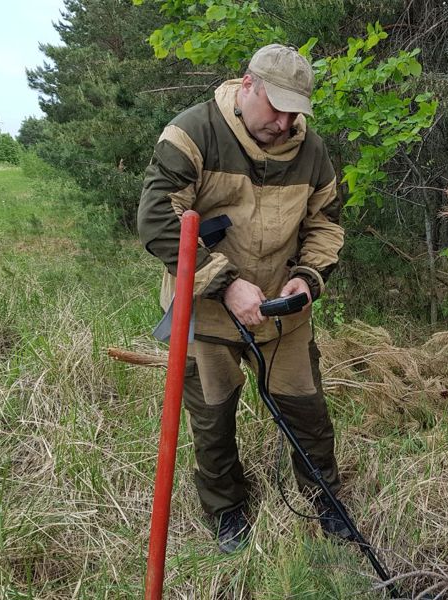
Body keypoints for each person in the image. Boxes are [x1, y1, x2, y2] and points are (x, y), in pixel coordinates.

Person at [137, 44, 351, 553]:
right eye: (275, 106)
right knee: (212, 417)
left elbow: (325, 224)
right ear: (247, 84)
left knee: (306, 410)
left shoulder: (312, 150)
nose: (283, 122)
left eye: (295, 111)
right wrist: (226, 284)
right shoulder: (194, 132)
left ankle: (324, 498)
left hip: (283, 315)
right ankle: (227, 509)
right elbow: (157, 221)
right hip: (206, 310)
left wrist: (308, 277)